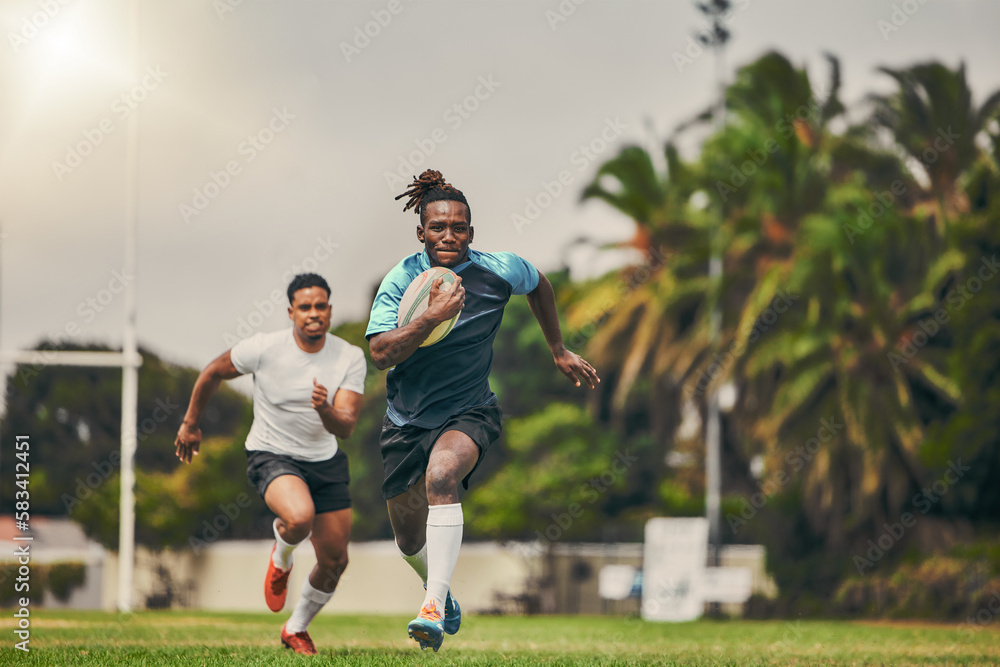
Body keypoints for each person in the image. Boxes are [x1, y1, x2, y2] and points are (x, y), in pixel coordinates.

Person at [366, 169, 599, 651]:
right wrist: (433, 316)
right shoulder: (402, 279)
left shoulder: (499, 269)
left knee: (441, 477)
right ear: (421, 233)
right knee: (408, 541)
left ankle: (431, 607)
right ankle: (441, 592)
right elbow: (381, 352)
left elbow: (540, 285)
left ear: (471, 231)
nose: (448, 236)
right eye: (437, 228)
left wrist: (557, 347)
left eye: (459, 227)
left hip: (469, 410)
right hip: (406, 420)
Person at [174, 273, 366, 656]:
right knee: (299, 518)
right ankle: (281, 557)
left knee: (335, 560)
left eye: (321, 306)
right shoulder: (263, 348)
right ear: (291, 312)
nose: (314, 313)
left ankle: (295, 628)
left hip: (325, 460)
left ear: (329, 309)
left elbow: (345, 426)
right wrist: (190, 423)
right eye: (306, 307)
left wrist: (324, 408)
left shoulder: (349, 356)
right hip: (271, 453)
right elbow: (212, 371)